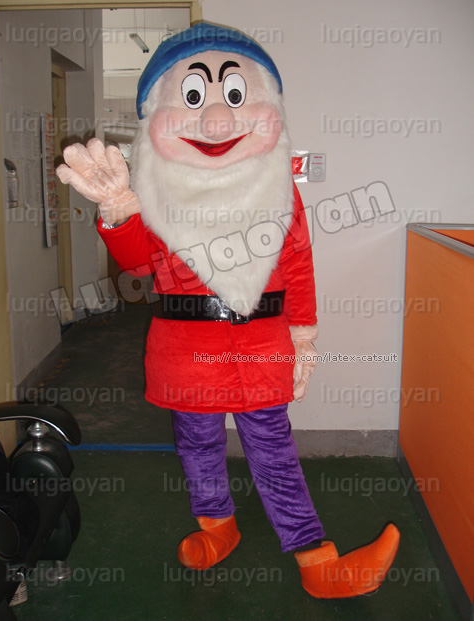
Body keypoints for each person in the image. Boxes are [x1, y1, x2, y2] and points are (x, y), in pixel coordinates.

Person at [57, 22, 399, 598]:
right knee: (197, 442)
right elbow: (139, 264)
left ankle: (316, 559)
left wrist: (304, 336)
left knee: (273, 449)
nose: (216, 117)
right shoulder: (154, 185)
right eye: (193, 97)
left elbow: (297, 262)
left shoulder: (278, 187)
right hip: (186, 346)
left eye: (235, 95)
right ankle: (217, 526)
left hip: (261, 340)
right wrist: (118, 210)